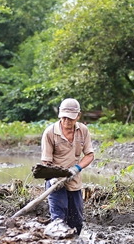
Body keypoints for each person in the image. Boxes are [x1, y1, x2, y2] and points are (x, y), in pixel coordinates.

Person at [40, 98, 95, 235]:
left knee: (76, 222)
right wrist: (52, 177)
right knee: (59, 218)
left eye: (70, 118)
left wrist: (76, 169)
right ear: (60, 115)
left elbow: (89, 155)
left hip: (74, 179)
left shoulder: (83, 131)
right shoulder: (50, 133)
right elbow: (46, 162)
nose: (66, 121)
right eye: (64, 117)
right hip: (55, 180)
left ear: (78, 116)